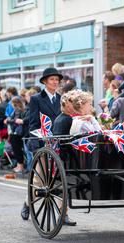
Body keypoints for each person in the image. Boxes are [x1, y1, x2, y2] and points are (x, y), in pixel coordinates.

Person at [21, 67, 76, 226]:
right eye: (52, 79)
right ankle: (27, 203)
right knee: (40, 180)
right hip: (43, 144)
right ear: (45, 81)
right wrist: (37, 146)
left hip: (60, 144)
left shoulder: (62, 98)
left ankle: (63, 214)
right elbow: (33, 123)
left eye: (57, 80)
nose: (55, 82)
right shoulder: (37, 99)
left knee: (61, 179)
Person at [6, 97, 27, 173]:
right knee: (17, 150)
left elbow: (15, 120)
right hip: (18, 133)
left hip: (16, 133)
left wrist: (8, 121)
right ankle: (19, 165)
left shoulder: (18, 110)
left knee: (17, 150)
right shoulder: (18, 110)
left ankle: (20, 166)